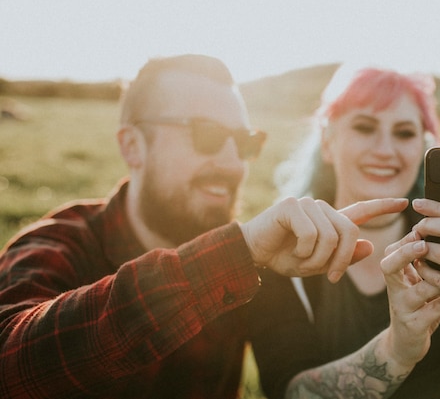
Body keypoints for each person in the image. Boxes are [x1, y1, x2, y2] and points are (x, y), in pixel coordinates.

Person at [0, 55, 409, 399]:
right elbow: (11, 364)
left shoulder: (252, 264)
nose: (234, 164)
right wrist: (236, 254)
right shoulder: (58, 244)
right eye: (208, 135)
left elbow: (297, 386)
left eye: (245, 141)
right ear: (132, 146)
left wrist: (400, 346)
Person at [249, 65, 440, 398]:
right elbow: (291, 391)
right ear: (328, 142)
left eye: (404, 133)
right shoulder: (286, 257)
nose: (385, 150)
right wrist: (395, 351)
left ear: (423, 148)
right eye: (364, 128)